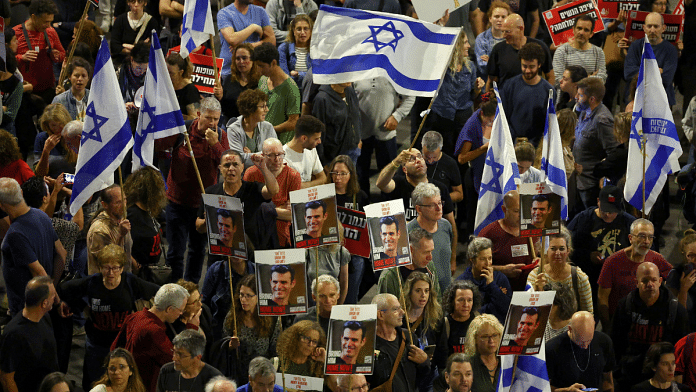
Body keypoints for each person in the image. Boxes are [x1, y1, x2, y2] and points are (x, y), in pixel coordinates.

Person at [60, 244, 159, 390]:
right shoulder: (93, 283)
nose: (111, 272)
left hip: (122, 345)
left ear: (121, 268)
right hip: (97, 345)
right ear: (100, 267)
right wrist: (78, 307)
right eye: (106, 267)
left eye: (116, 268)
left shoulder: (129, 282)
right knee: (94, 384)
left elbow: (158, 291)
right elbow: (65, 289)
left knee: (121, 383)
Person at [155, 97, 229, 282]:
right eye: (208, 118)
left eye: (216, 119)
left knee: (197, 252)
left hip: (202, 205)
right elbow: (160, 147)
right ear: (198, 114)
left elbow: (228, 165)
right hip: (176, 201)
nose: (212, 123)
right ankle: (174, 287)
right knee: (175, 252)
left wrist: (215, 144)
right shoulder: (183, 130)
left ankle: (191, 290)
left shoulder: (220, 135)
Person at [612, 263, 689, 392]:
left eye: (653, 280)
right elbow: (615, 342)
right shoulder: (625, 305)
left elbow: (681, 348)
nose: (650, 284)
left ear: (660, 281)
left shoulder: (675, 310)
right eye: (645, 281)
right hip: (630, 375)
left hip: (661, 376)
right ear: (636, 282)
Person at [0, 177, 66, 316]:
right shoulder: (41, 215)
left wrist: (57, 301)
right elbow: (61, 254)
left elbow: (39, 272)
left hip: (27, 312)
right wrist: (53, 294)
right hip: (43, 306)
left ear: (1, 205)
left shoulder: (15, 233)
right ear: (21, 194)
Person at [111, 283, 193, 392]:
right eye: (180, 310)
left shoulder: (134, 316)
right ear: (169, 309)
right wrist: (192, 328)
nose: (181, 313)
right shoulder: (154, 332)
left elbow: (114, 348)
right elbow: (180, 363)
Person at [195, 149, 278, 252]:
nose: (231, 169)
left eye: (235, 165)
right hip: (220, 253)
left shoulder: (253, 189)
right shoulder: (210, 192)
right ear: (220, 169)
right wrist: (206, 221)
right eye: (226, 165)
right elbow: (199, 227)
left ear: (242, 167)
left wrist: (264, 168)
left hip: (248, 252)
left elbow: (273, 191)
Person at [597, 218, 673, 331]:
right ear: (630, 238)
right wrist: (607, 326)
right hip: (620, 324)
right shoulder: (612, 262)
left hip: (647, 325)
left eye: (650, 237)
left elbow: (673, 276)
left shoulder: (656, 259)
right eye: (642, 236)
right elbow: (602, 298)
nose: (647, 241)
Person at [417, 31, 483, 157]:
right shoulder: (440, 66)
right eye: (465, 42)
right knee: (440, 154)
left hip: (463, 119)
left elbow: (473, 96)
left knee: (459, 155)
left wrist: (477, 89)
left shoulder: (470, 67)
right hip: (441, 117)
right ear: (456, 46)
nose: (469, 46)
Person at [568, 184, 636, 299]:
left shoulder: (629, 223)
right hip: (590, 279)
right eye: (605, 210)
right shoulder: (583, 219)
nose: (608, 214)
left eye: (612, 211)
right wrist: (588, 256)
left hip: (619, 280)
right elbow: (568, 249)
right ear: (598, 201)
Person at [354, 74, 415, 193]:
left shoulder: (393, 70)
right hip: (360, 135)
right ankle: (362, 208)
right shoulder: (359, 68)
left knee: (390, 177)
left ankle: (389, 209)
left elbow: (410, 97)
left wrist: (397, 116)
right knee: (360, 177)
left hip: (386, 134)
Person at [0, 277, 60, 392]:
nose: (55, 298)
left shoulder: (44, 317)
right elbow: (6, 378)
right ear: (44, 303)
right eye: (53, 295)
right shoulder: (14, 334)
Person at [325, 155, 369, 303]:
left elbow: (366, 228)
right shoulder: (324, 196)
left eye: (343, 173)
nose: (338, 177)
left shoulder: (359, 196)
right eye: (335, 173)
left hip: (352, 253)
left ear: (351, 175)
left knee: (358, 264)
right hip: (328, 251)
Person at [243, 137, 301, 247]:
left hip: (280, 237)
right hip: (254, 235)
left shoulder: (293, 176)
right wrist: (280, 209)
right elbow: (246, 210)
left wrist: (262, 210)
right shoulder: (251, 173)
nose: (277, 159)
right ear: (263, 155)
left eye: (280, 154)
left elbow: (294, 215)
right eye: (271, 155)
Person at [224, 275, 281, 386]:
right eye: (241, 295)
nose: (243, 300)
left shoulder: (272, 318)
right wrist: (230, 345)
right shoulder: (233, 316)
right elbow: (223, 345)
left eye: (248, 296)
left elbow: (275, 349)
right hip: (237, 373)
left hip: (262, 376)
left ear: (259, 297)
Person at [572, 77, 620, 209]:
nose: (576, 97)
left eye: (580, 95)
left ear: (592, 99)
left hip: (591, 185)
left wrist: (604, 175)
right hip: (579, 181)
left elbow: (613, 153)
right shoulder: (583, 112)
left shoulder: (602, 120)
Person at [377, 148, 455, 227]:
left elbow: (450, 224)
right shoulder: (398, 183)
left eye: (420, 157)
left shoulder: (439, 188)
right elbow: (380, 184)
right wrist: (396, 161)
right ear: (404, 169)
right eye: (411, 159)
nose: (418, 160)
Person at [368, 293, 430, 392]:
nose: (403, 312)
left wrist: (424, 362)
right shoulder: (367, 343)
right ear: (380, 314)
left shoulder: (409, 337)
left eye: (400, 308)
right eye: (395, 309)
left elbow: (422, 379)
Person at [479, 190, 536, 291]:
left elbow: (543, 258)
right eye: (516, 211)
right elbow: (476, 267)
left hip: (528, 292)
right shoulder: (489, 234)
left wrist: (540, 261)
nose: (521, 215)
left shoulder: (532, 230)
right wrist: (503, 270)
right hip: (500, 292)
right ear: (504, 209)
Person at [527, 226, 593, 313]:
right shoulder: (536, 275)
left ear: (568, 251)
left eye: (561, 249)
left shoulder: (579, 278)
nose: (557, 253)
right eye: (553, 249)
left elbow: (588, 314)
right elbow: (528, 310)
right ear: (546, 251)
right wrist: (537, 290)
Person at [500, 42, 556, 146]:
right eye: (524, 66)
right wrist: (513, 139)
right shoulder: (509, 86)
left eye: (532, 66)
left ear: (539, 65)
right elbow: (503, 117)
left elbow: (548, 123)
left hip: (537, 146)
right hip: (511, 143)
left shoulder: (549, 90)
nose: (527, 70)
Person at [546, 311, 616, 392]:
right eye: (581, 341)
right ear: (570, 329)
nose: (585, 346)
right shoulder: (552, 348)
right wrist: (567, 390)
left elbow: (608, 381)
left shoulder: (604, 342)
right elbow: (544, 388)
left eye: (589, 340)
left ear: (594, 325)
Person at [13, 0, 66, 104]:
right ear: (33, 17)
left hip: (48, 89)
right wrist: (21, 57)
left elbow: (63, 55)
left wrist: (56, 56)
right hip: (25, 92)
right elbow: (5, 61)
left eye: (50, 21)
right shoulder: (16, 33)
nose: (49, 25)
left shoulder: (50, 31)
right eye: (45, 22)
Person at [621, 12, 679, 106]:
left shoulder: (671, 50)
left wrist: (641, 72)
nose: (652, 30)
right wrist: (656, 71)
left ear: (663, 28)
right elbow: (628, 74)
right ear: (644, 28)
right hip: (636, 99)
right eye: (649, 26)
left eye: (656, 26)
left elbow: (666, 79)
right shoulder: (635, 46)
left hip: (662, 101)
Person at [486, 14, 553, 91]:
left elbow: (550, 76)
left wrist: (548, 97)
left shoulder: (539, 47)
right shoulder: (498, 49)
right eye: (502, 31)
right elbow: (491, 81)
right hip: (506, 99)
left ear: (521, 29)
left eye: (507, 32)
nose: (504, 35)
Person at [408, 182, 455, 288]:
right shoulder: (408, 232)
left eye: (439, 203)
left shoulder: (446, 225)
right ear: (419, 209)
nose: (439, 208)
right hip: (421, 295)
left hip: (445, 291)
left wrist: (453, 261)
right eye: (432, 205)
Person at [457, 237, 512, 322]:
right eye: (482, 259)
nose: (488, 263)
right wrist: (496, 297)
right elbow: (468, 314)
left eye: (489, 258)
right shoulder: (461, 282)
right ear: (472, 261)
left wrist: (492, 284)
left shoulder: (500, 278)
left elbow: (507, 309)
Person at [378, 228, 442, 301]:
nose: (430, 257)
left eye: (431, 251)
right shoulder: (389, 276)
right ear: (411, 249)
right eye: (425, 252)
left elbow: (437, 300)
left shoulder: (429, 266)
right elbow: (384, 308)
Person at [123, 167, 166, 274]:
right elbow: (121, 243)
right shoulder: (131, 214)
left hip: (151, 270)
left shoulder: (152, 210)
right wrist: (133, 263)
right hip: (136, 273)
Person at [86, 184, 137, 275]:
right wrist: (121, 235)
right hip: (106, 282)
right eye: (118, 202)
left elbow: (125, 248)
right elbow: (110, 261)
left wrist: (133, 263)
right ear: (104, 205)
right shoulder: (99, 231)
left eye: (124, 200)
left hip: (123, 278)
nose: (124, 206)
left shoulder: (120, 220)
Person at [255, 42, 300, 145]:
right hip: (262, 142)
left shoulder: (291, 88)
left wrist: (269, 130)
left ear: (273, 63)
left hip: (280, 145)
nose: (258, 70)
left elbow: (293, 122)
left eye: (261, 66)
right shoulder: (262, 80)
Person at [217, 0, 275, 77]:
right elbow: (232, 39)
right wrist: (253, 27)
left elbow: (271, 41)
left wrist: (249, 46)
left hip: (255, 70)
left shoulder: (260, 11)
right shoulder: (224, 13)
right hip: (230, 72)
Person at [313, 81, 362, 165]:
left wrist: (358, 140)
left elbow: (356, 116)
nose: (349, 77)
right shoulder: (321, 99)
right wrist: (322, 162)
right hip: (333, 156)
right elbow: (318, 132)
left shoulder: (349, 91)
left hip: (353, 149)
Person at [156, 330, 222, 392]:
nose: (174, 358)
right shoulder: (166, 371)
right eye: (174, 352)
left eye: (180, 354)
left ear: (197, 357)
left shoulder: (215, 379)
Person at [552, 15, 607, 88]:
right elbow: (558, 81)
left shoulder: (598, 52)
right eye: (579, 28)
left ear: (591, 34)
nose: (581, 32)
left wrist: (570, 80)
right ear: (573, 29)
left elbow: (602, 79)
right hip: (566, 97)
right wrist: (588, 78)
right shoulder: (561, 51)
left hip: (589, 97)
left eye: (586, 30)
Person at [226, 89, 276, 169]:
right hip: (242, 177)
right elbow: (238, 160)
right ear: (250, 109)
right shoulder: (233, 130)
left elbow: (275, 154)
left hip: (265, 174)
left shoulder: (268, 127)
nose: (267, 110)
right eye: (262, 106)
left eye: (266, 106)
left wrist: (251, 155)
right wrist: (263, 155)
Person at [437, 280, 482, 362]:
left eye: (469, 300)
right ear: (452, 301)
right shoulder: (445, 323)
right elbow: (441, 359)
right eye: (461, 300)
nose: (466, 304)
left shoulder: (478, 321)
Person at [215, 44, 260, 122]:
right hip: (230, 124)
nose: (241, 62)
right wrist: (220, 97)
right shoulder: (229, 79)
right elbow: (224, 108)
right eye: (238, 58)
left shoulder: (260, 82)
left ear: (253, 60)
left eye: (244, 58)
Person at [110, 0, 159, 66]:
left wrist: (126, 46)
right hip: (121, 63)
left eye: (139, 1)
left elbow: (151, 48)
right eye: (133, 1)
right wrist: (138, 48)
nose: (136, 5)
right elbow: (114, 46)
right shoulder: (120, 20)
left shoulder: (152, 23)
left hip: (143, 64)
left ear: (145, 3)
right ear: (128, 3)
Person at [403, 272, 443, 352]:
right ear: (409, 292)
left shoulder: (436, 316)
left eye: (426, 291)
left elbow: (442, 349)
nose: (423, 295)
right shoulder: (400, 318)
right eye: (418, 291)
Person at [421, 131, 464, 206]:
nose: (430, 161)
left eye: (434, 157)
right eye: (426, 157)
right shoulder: (413, 160)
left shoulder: (450, 164)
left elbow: (459, 194)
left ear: (441, 148)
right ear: (422, 146)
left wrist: (438, 199)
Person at [33, 102, 75, 178]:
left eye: (61, 123)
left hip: (73, 183)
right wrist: (46, 151)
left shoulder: (74, 135)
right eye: (53, 125)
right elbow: (39, 174)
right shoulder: (41, 138)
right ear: (47, 125)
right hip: (51, 183)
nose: (58, 128)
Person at [462, 314, 503, 392]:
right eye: (485, 337)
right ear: (474, 339)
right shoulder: (467, 365)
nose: (491, 341)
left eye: (494, 335)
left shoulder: (507, 363)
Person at [283, 114, 325, 187]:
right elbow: (289, 189)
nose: (319, 142)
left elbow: (323, 178)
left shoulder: (312, 150)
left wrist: (304, 186)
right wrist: (312, 184)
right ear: (304, 138)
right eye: (316, 139)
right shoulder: (282, 157)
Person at [667, 230, 696, 331]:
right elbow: (676, 314)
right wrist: (684, 289)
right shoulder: (676, 275)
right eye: (691, 255)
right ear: (684, 255)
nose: (695, 260)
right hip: (685, 329)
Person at [474, 1, 512, 79]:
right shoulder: (481, 39)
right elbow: (482, 68)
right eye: (496, 16)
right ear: (490, 19)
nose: (500, 20)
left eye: (503, 17)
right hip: (486, 83)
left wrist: (491, 61)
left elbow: (513, 66)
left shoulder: (511, 38)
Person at [277, 14, 315, 88]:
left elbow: (317, 76)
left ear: (311, 31)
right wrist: (306, 76)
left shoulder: (316, 49)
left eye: (306, 28)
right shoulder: (283, 49)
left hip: (311, 89)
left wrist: (299, 74)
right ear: (293, 31)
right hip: (290, 89)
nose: (302, 32)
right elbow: (284, 78)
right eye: (299, 29)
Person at [167, 53, 201, 121]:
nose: (167, 75)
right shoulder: (163, 84)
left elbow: (195, 118)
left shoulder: (190, 90)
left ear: (181, 72)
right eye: (165, 72)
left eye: (171, 73)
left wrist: (175, 116)